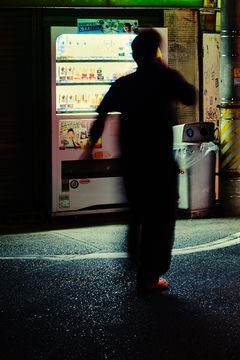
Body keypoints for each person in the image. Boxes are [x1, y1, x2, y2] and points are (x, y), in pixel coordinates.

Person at [81, 29, 196, 293]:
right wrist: (165, 70)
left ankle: (136, 259)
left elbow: (101, 115)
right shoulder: (165, 78)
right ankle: (150, 275)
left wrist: (88, 149)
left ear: (134, 55)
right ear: (156, 51)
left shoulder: (124, 84)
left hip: (132, 161)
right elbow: (190, 96)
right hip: (159, 162)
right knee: (162, 218)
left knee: (137, 212)